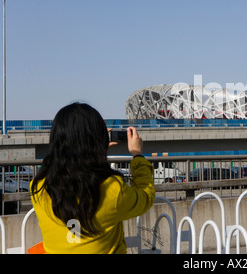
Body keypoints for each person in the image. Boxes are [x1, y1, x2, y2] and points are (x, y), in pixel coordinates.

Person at [30, 102, 155, 254]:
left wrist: (94, 151)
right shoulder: (112, 190)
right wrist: (137, 155)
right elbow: (145, 196)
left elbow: (66, 167)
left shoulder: (38, 188)